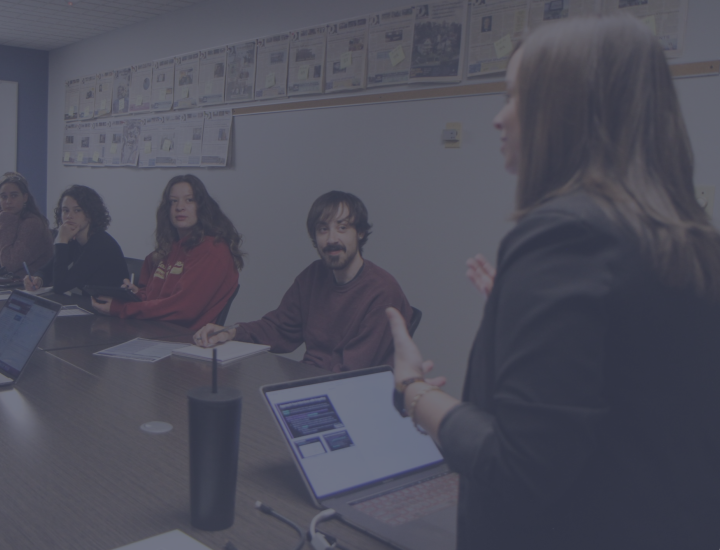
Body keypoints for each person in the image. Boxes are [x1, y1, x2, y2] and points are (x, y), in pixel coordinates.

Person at [387, 15, 720, 550]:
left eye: (515, 96)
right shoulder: (691, 239)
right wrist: (530, 320)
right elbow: (643, 397)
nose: (498, 119)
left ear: (568, 109)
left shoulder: (566, 233)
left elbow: (519, 461)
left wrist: (412, 390)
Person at [194, 191, 412, 372]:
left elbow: (354, 370)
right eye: (323, 229)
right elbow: (279, 328)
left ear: (361, 233)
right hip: (311, 381)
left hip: (354, 396)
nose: (332, 239)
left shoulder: (382, 291)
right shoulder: (314, 276)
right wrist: (230, 332)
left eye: (343, 227)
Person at [91, 175, 242, 331]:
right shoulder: (166, 251)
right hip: (150, 331)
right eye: (173, 201)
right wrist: (136, 294)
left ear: (202, 206)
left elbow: (183, 308)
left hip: (183, 342)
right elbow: (154, 299)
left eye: (189, 200)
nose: (179, 207)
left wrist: (121, 308)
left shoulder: (212, 251)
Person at [24, 185, 128, 294]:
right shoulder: (74, 240)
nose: (69, 216)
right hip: (91, 303)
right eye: (65, 210)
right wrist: (38, 280)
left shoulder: (101, 244)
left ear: (90, 214)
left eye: (77, 210)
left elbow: (60, 286)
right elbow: (45, 270)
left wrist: (62, 241)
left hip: (110, 307)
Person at [0, 172, 53, 279]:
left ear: (25, 197)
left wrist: (7, 221)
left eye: (14, 195)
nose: (8, 201)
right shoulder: (8, 218)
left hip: (28, 287)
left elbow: (9, 265)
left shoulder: (32, 224)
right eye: (3, 196)